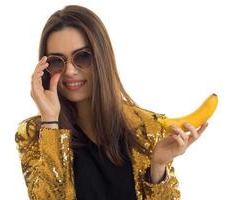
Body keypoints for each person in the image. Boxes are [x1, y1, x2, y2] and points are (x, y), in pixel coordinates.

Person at [15, 5, 208, 200]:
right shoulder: (35, 134)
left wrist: (158, 168)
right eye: (58, 61)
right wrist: (50, 121)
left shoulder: (146, 129)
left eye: (82, 56)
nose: (70, 71)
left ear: (102, 58)